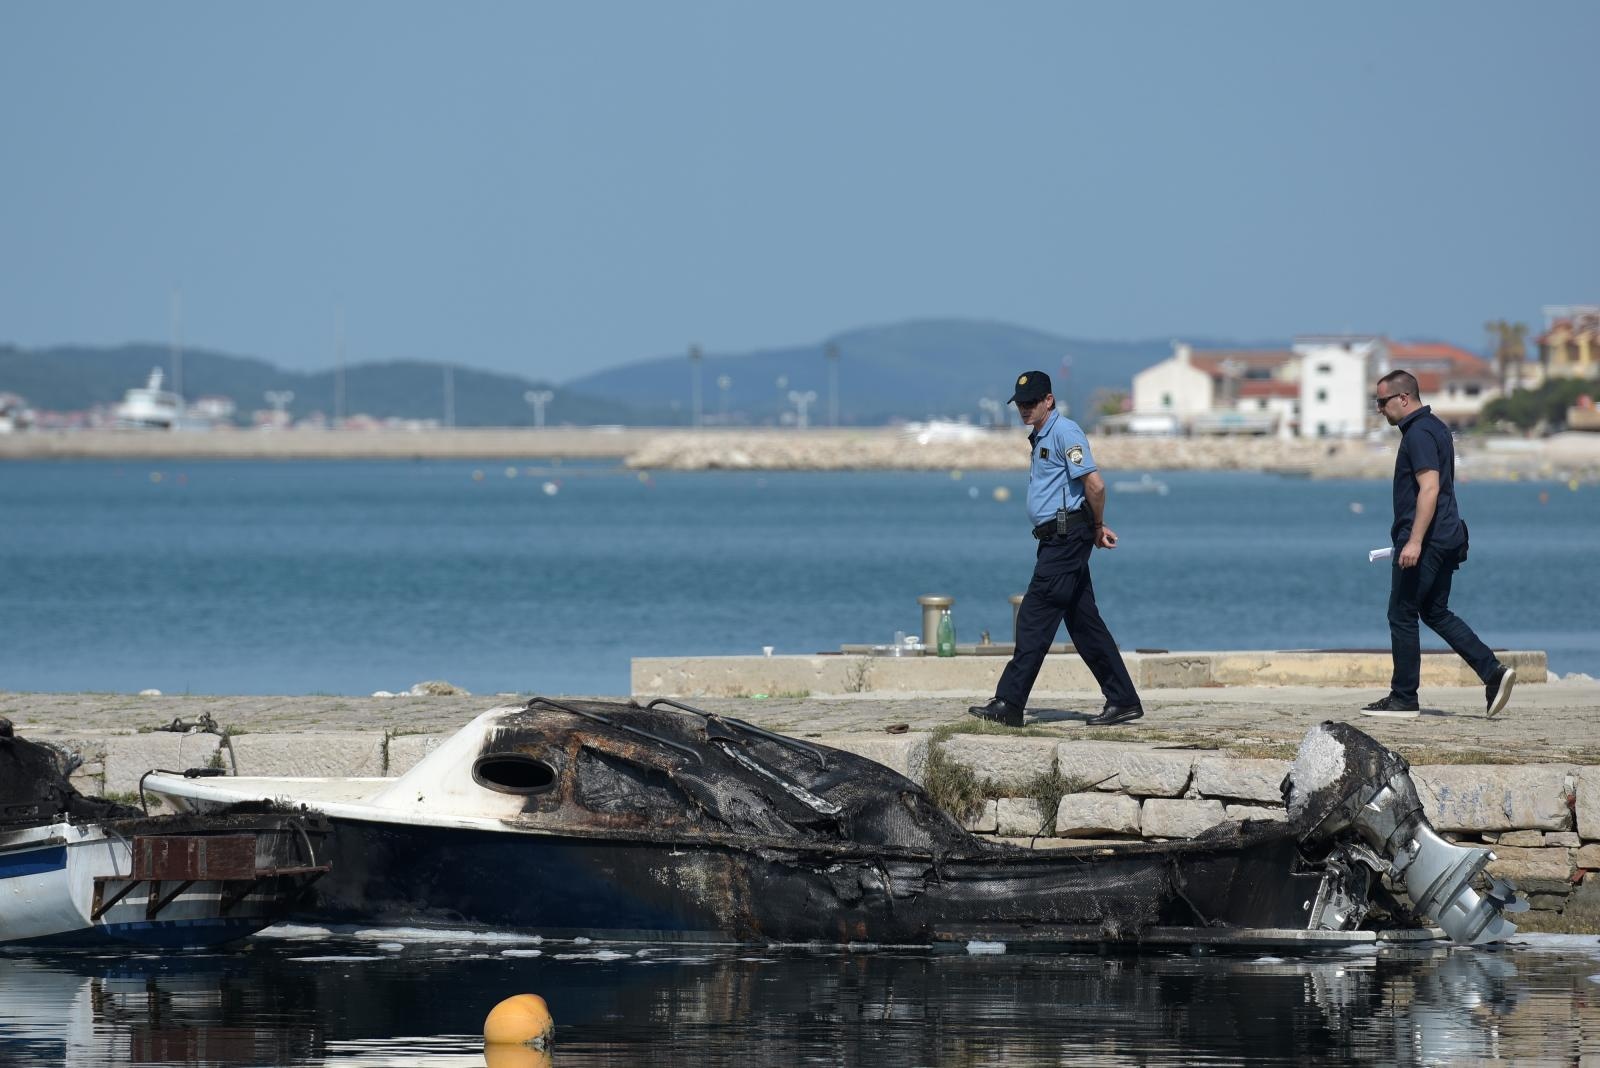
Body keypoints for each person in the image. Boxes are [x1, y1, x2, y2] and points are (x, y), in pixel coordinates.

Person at [969, 371, 1143, 728]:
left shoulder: (1065, 432)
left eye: (1031, 402)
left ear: (1049, 400)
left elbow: (1094, 485)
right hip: (1057, 538)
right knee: (1084, 624)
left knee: (1034, 616)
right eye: (1020, 403)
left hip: (1066, 540)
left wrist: (1096, 526)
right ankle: (1123, 699)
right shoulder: (1041, 435)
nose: (1024, 408)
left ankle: (1010, 702)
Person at [1363, 369, 1515, 719]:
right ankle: (1492, 673)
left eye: (1382, 402)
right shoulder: (1437, 428)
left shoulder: (1418, 433)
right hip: (1448, 535)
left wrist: (1414, 541)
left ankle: (1403, 699)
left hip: (1427, 539)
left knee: (1401, 614)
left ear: (1403, 398)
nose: (1379, 409)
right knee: (1434, 611)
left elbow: (1430, 488)